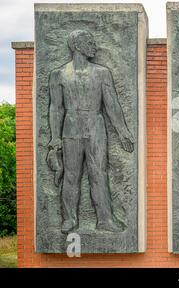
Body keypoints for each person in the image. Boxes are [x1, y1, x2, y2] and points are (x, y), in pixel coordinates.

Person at [48, 29, 134, 234]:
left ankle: (105, 219)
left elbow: (112, 104)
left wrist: (122, 131)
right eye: (90, 42)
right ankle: (69, 219)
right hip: (71, 128)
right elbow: (56, 108)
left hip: (96, 127)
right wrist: (54, 137)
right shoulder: (58, 75)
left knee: (99, 174)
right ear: (77, 46)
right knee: (71, 175)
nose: (94, 45)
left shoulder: (102, 72)